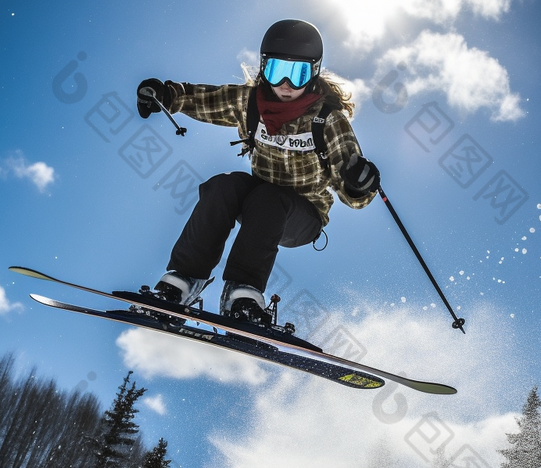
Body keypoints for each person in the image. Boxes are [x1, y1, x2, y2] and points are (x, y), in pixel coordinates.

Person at [136, 19, 379, 327]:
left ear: (314, 73)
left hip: (303, 217)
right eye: (278, 71)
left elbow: (352, 194)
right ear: (264, 67)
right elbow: (203, 99)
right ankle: (181, 282)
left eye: (299, 73)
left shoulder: (328, 121)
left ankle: (243, 295)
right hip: (257, 205)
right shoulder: (249, 103)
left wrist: (359, 184)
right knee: (223, 186)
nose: (287, 85)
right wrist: (166, 95)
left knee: (269, 198)